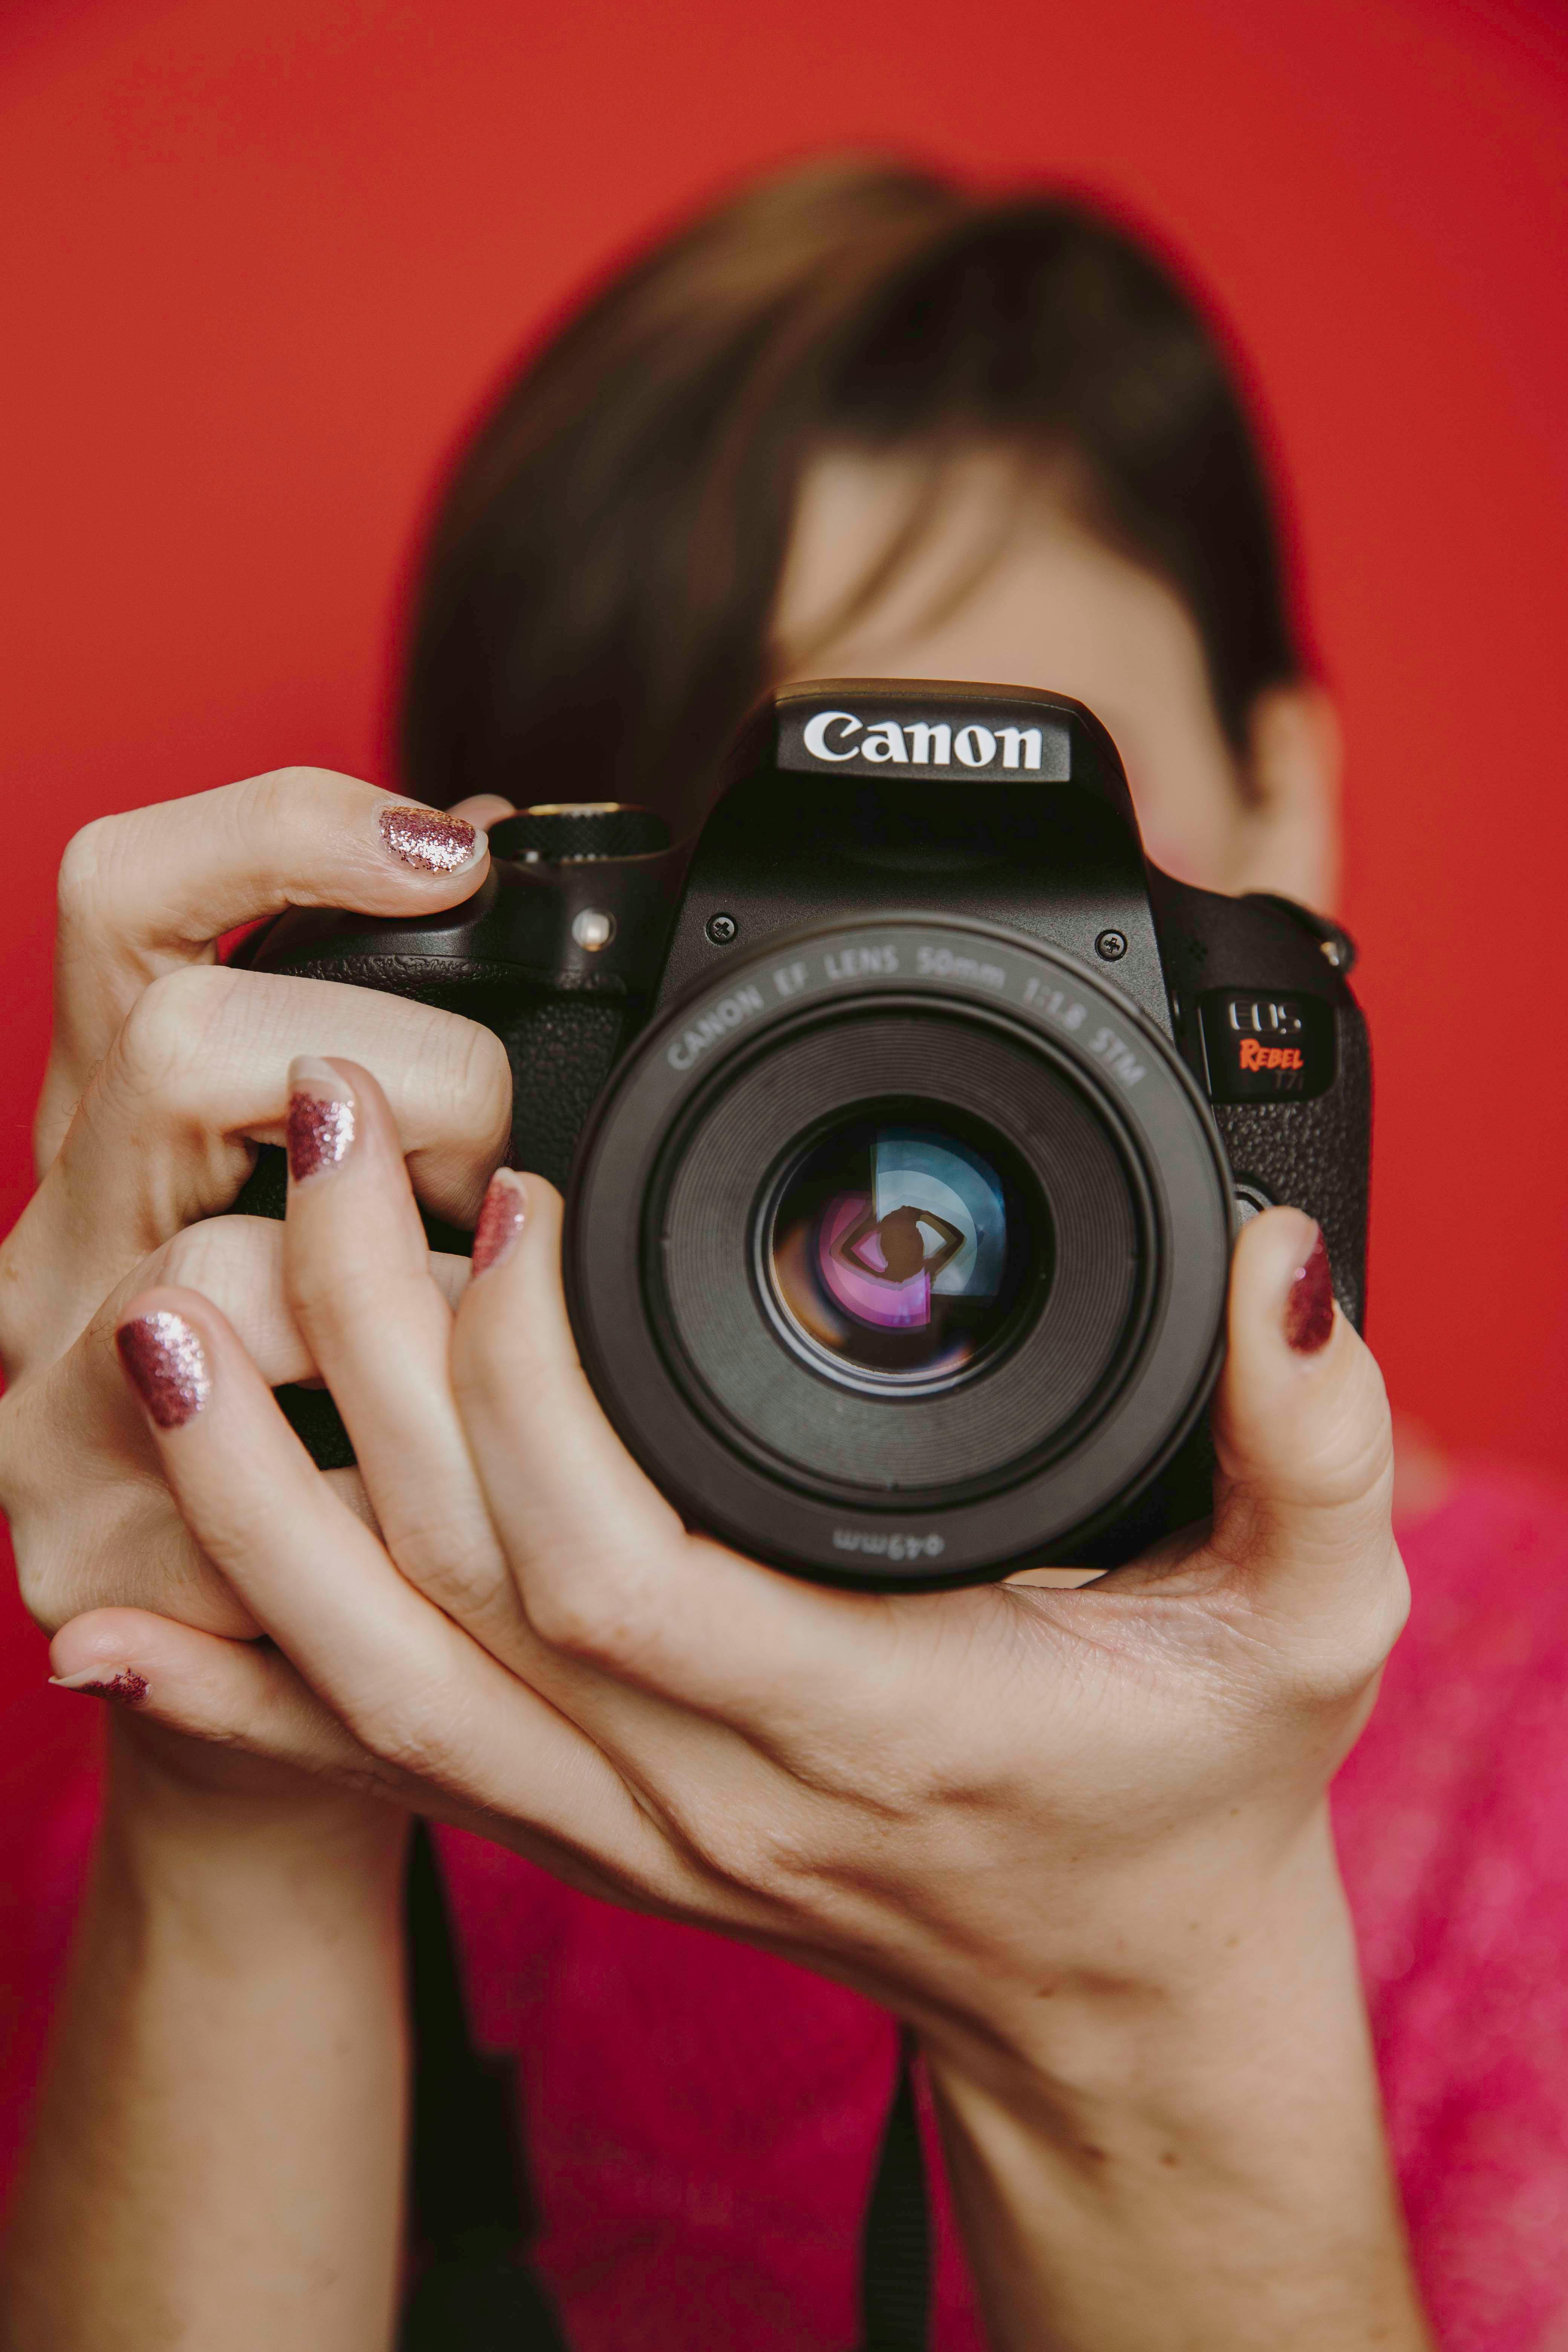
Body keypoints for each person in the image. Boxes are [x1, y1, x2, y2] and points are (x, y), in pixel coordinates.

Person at [2, 156, 1565, 2352]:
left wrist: (1146, 1999)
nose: (873, 1011)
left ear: (1283, 815)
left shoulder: (1535, 1784)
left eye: (1006, 867)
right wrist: (258, 1705)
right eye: (727, 897)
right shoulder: (280, 1629)